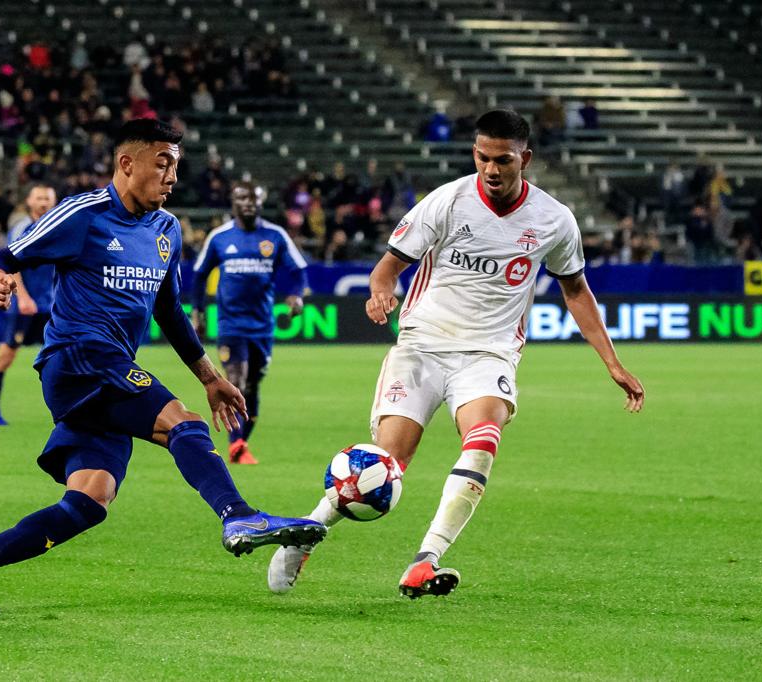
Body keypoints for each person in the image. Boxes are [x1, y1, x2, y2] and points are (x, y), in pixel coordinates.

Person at [0, 119, 326, 613]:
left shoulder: (166, 229)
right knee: (185, 423)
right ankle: (238, 514)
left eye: (176, 165)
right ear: (126, 163)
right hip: (78, 358)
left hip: (106, 372)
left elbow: (169, 312)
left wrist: (211, 377)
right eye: (163, 163)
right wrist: (3, 279)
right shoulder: (84, 213)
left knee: (88, 502)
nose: (172, 176)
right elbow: (10, 254)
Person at [267, 110, 645, 599]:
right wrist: (381, 293)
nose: (491, 169)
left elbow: (577, 291)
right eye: (483, 157)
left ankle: (426, 560)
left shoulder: (554, 220)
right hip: (422, 347)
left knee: (484, 439)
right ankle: (306, 535)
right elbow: (386, 269)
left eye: (503, 160)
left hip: (489, 354)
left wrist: (612, 362)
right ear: (474, 154)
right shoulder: (446, 201)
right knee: (387, 462)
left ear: (524, 159)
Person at [191, 182, 308, 464]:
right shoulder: (220, 237)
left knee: (253, 385)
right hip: (231, 324)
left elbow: (298, 270)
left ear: (261, 200)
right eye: (243, 198)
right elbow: (199, 275)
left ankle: (241, 442)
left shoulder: (275, 235)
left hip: (263, 325)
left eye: (254, 198)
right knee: (236, 380)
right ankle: (236, 446)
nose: (249, 203)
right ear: (233, 201)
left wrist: (295, 296)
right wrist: (199, 313)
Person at [0, 183, 58, 425]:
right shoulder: (22, 228)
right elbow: (10, 265)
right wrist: (23, 298)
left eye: (47, 198)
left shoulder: (60, 227)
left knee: (64, 359)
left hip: (52, 306)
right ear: (29, 201)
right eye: (39, 198)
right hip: (25, 306)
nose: (43, 202)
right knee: (6, 356)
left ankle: (69, 415)